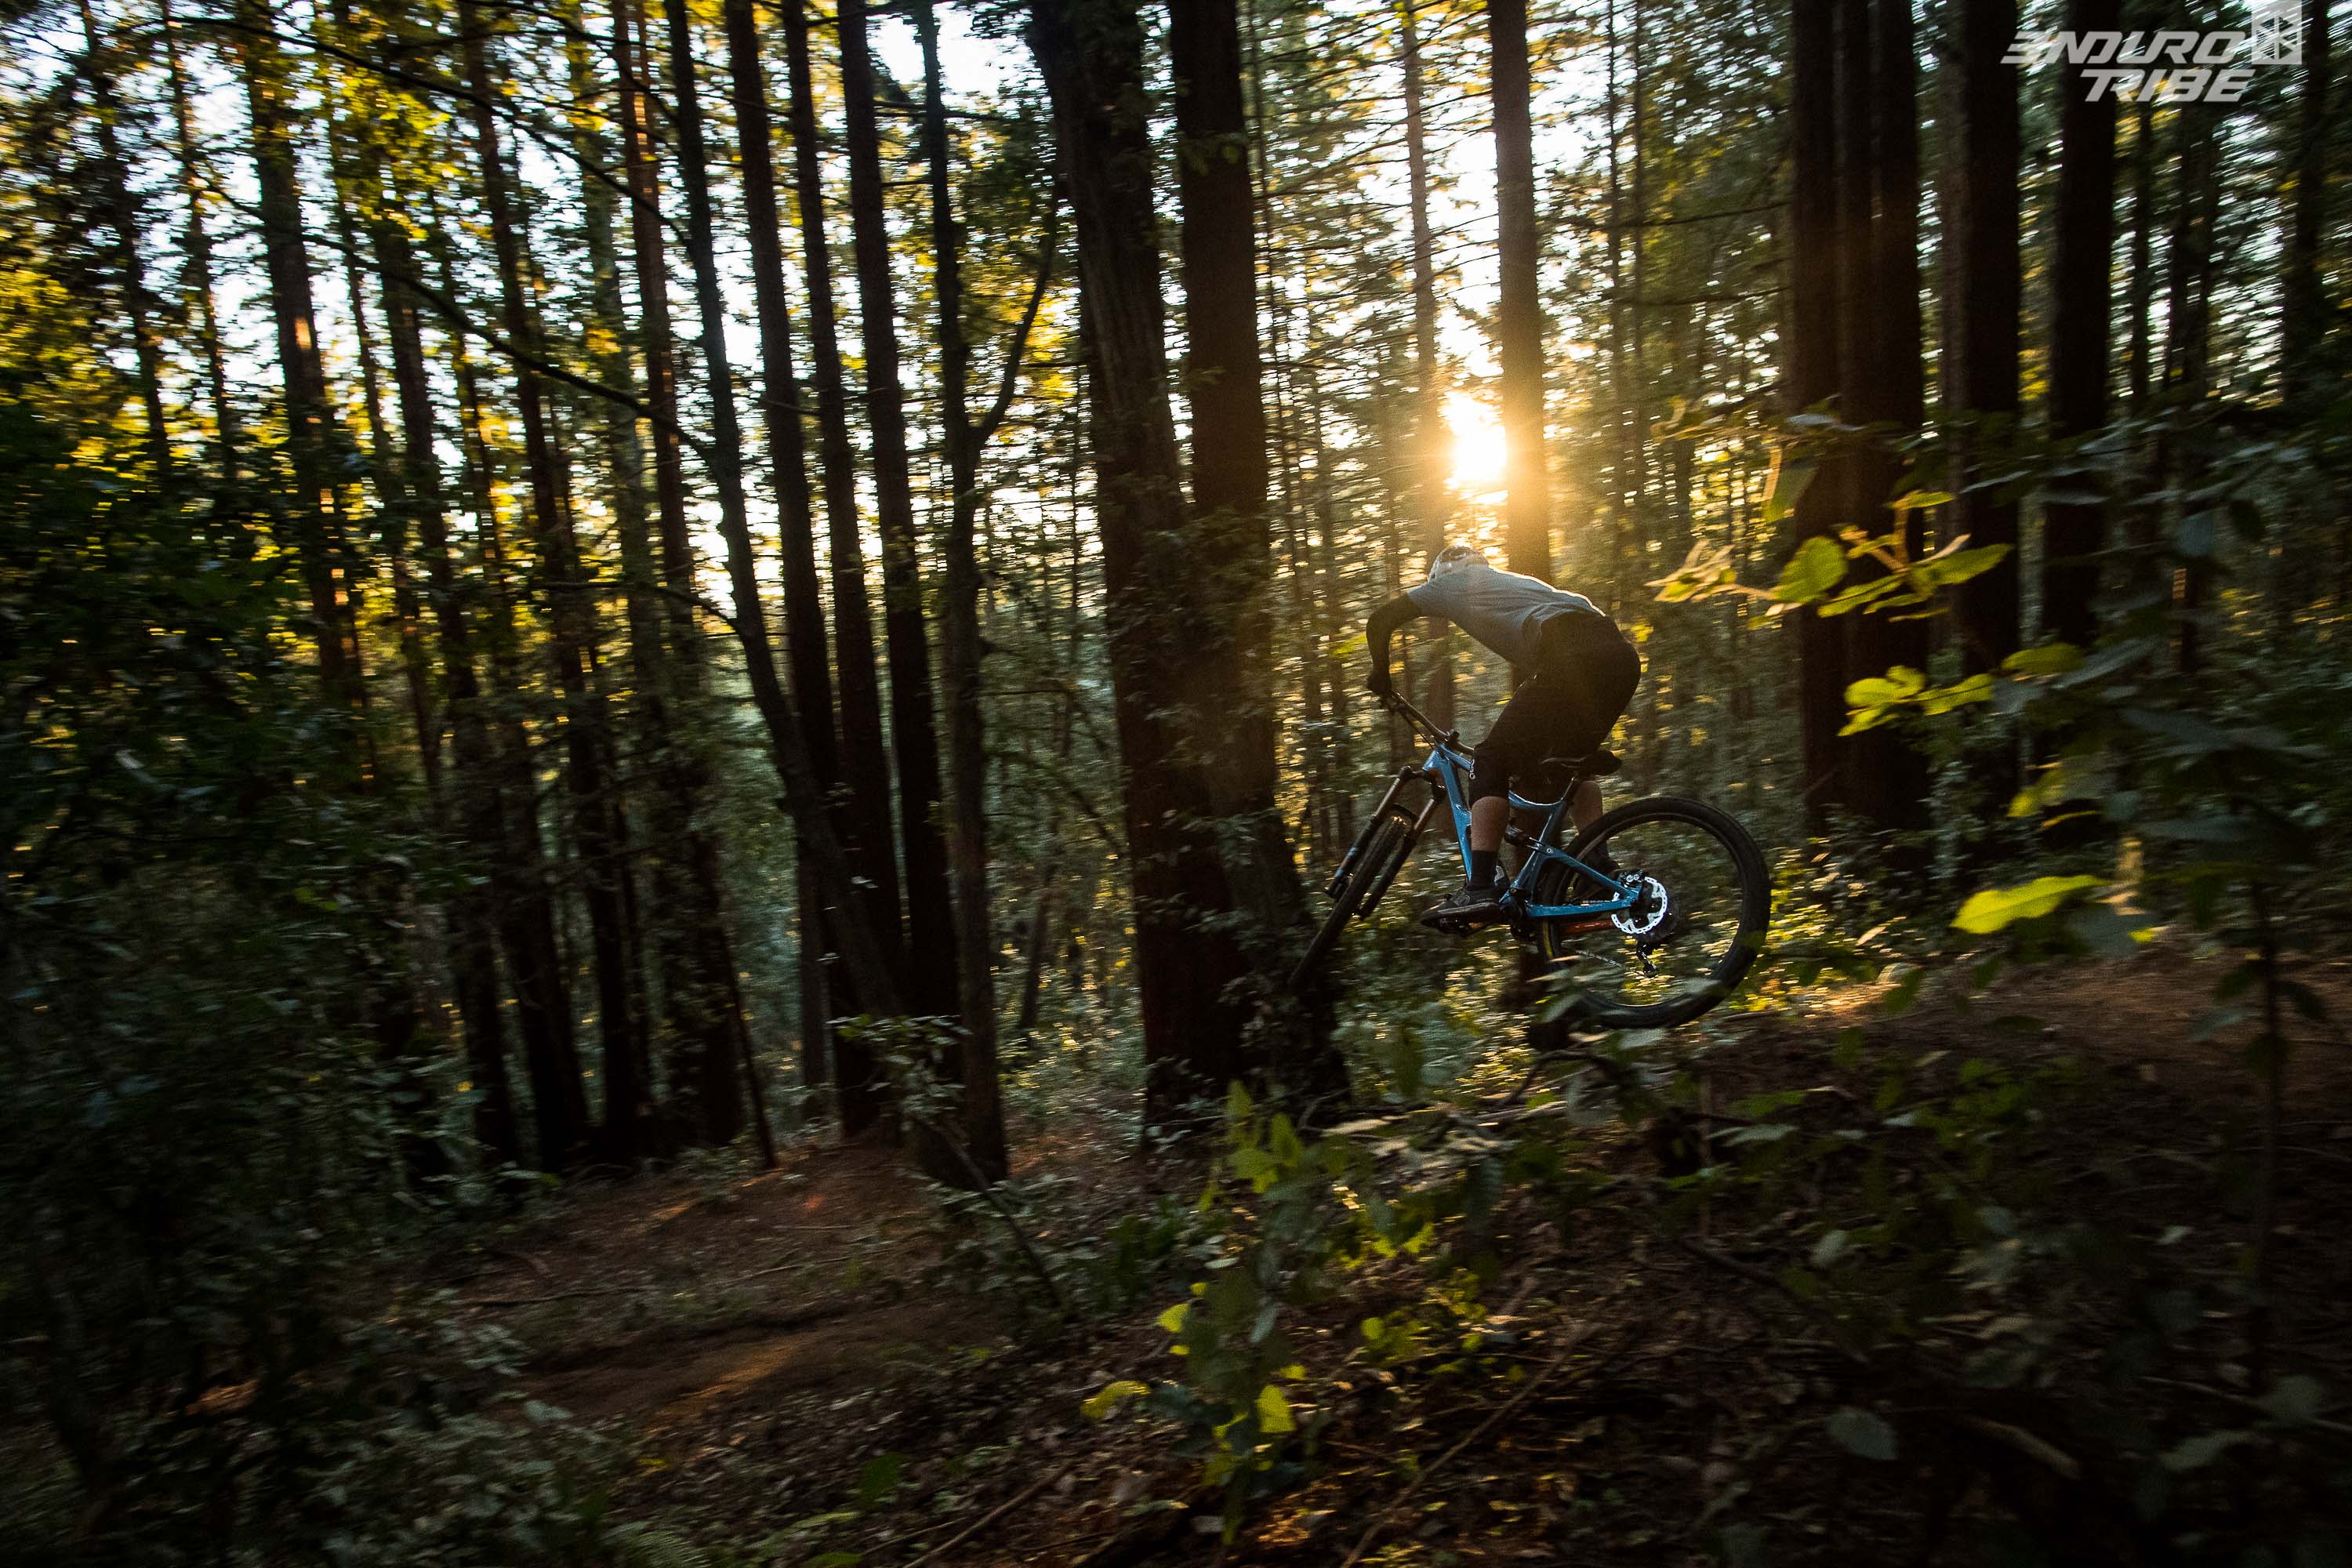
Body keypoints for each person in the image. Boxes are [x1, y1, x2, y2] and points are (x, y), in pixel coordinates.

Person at [1364, 543, 1641, 929]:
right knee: (1565, 768)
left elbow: (1380, 620)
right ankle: (1599, 870)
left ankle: (1480, 886)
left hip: (1572, 653)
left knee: (1489, 760)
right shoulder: (1518, 586)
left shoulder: (1451, 583)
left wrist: (1381, 673)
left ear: (1441, 575)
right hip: (1620, 660)